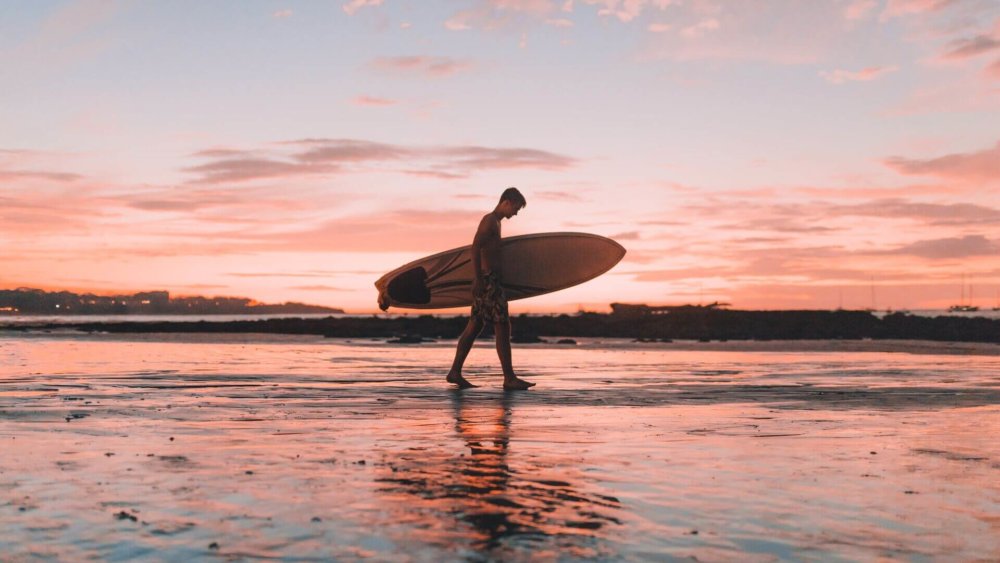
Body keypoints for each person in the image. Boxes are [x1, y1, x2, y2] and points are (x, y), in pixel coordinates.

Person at [446, 187, 535, 390]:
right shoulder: (489, 221)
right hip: (489, 282)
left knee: (475, 325)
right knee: (502, 326)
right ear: (507, 202)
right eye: (516, 208)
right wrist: (478, 279)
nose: (516, 213)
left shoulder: (495, 222)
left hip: (489, 281)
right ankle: (509, 378)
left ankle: (455, 371)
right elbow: (475, 247)